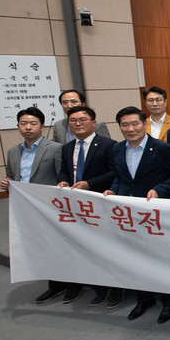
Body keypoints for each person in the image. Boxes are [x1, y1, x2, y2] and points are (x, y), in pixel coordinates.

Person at [104, 106, 170, 320]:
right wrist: (113, 190)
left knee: (162, 259)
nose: (130, 129)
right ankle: (144, 298)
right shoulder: (117, 148)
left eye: (134, 123)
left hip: (153, 213)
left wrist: (159, 190)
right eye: (125, 125)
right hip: (128, 214)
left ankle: (169, 302)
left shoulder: (162, 148)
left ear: (144, 123)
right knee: (135, 258)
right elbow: (120, 176)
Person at [0, 107, 64, 303]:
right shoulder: (13, 151)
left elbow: (62, 178)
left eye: (33, 123)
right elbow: (11, 176)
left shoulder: (55, 148)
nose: (28, 127)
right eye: (23, 123)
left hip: (49, 207)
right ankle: (54, 283)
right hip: (25, 208)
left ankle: (67, 282)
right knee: (40, 245)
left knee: (58, 245)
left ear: (42, 126)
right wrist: (7, 184)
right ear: (18, 126)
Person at [56, 105, 117, 306]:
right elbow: (64, 170)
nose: (78, 124)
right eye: (73, 121)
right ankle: (83, 282)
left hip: (99, 203)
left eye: (83, 120)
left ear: (93, 122)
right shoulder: (66, 148)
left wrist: (90, 184)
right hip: (74, 204)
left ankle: (108, 288)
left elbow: (114, 172)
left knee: (103, 246)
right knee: (78, 244)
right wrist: (63, 181)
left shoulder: (109, 145)